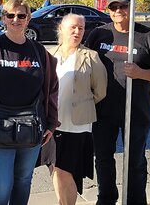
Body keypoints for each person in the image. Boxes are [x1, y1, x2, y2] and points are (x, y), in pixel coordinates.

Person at [0, 0, 60, 205]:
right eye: (11, 15)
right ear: (3, 19)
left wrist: (51, 123)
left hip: (33, 128)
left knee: (24, 181)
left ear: (28, 19)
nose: (16, 19)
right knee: (1, 185)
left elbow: (52, 88)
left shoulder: (39, 51)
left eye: (21, 15)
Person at [85, 0, 150, 205]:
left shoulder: (147, 36)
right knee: (103, 159)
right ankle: (106, 199)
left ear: (131, 8)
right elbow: (83, 63)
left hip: (136, 111)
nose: (118, 11)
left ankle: (135, 201)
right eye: (113, 7)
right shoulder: (99, 35)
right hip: (103, 111)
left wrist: (140, 73)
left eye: (123, 7)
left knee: (135, 162)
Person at [49, 14, 107, 205]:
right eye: (73, 27)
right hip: (52, 124)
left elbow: (100, 91)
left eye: (81, 28)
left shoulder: (90, 56)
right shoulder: (50, 55)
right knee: (55, 170)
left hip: (76, 126)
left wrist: (81, 104)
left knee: (66, 171)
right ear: (62, 29)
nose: (77, 31)